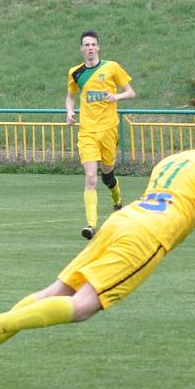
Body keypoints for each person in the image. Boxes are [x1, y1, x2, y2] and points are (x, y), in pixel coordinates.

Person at [0, 118, 195, 388]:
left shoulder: (171, 160)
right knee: (82, 307)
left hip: (121, 221)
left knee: (56, 290)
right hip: (146, 235)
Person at [66, 30, 136, 240]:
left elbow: (131, 92)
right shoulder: (75, 73)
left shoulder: (111, 67)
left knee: (107, 175)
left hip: (108, 130)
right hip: (87, 132)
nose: (89, 48)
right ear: (81, 48)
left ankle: (117, 200)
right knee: (90, 177)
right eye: (86, 45)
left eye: (93, 45)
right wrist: (69, 112)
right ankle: (91, 225)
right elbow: (70, 97)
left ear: (98, 47)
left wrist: (117, 96)